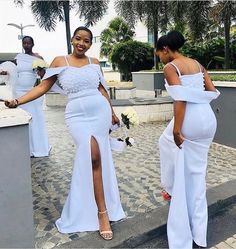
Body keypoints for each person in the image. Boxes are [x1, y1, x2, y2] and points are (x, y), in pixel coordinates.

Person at [5, 26, 125, 240]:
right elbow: (42, 87)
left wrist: (113, 113)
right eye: (78, 39)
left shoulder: (94, 63)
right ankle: (92, 209)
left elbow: (102, 89)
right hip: (77, 116)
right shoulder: (60, 61)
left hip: (99, 111)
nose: (82, 43)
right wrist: (18, 101)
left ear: (90, 43)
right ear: (72, 39)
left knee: (98, 158)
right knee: (91, 156)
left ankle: (103, 213)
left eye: (86, 41)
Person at [155, 31, 220, 249]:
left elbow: (180, 100)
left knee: (176, 159)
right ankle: (199, 235)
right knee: (197, 176)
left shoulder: (170, 67)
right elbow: (212, 90)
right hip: (207, 119)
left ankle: (172, 190)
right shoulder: (198, 64)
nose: (159, 58)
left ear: (165, 49)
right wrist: (198, 97)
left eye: (158, 53)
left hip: (189, 120)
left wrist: (177, 129)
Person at [14, 36, 51, 157]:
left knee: (35, 118)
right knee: (21, 119)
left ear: (32, 44)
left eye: (28, 43)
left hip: (32, 92)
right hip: (18, 91)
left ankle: (38, 147)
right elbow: (14, 72)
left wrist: (40, 70)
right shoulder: (18, 58)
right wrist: (6, 73)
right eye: (24, 43)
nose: (26, 45)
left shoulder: (38, 58)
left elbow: (44, 76)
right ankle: (24, 148)